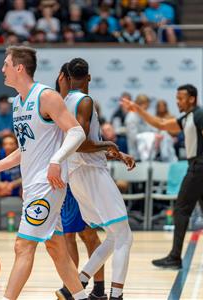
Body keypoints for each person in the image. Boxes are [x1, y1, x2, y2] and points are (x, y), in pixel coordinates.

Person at [0, 45, 89, 300]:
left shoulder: (46, 96)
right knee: (56, 247)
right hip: (34, 185)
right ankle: (80, 297)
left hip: (47, 184)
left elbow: (76, 131)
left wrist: (56, 160)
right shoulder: (18, 104)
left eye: (6, 64)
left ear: (19, 67)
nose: (2, 69)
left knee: (23, 246)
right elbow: (25, 149)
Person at [122, 84, 203, 270]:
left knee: (181, 208)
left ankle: (175, 257)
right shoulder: (187, 117)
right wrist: (139, 110)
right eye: (177, 98)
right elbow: (162, 124)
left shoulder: (201, 115)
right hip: (200, 167)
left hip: (200, 166)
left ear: (192, 98)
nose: (177, 101)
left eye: (181, 98)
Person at [57, 58, 135, 300]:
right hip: (91, 174)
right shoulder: (85, 100)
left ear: (67, 78)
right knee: (125, 236)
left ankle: (76, 284)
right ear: (88, 77)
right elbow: (80, 142)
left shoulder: (63, 102)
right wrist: (111, 143)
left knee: (113, 235)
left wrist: (113, 153)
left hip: (75, 175)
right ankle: (116, 296)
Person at [55, 62, 106, 300]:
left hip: (82, 172)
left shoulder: (78, 103)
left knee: (86, 234)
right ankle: (77, 288)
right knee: (70, 236)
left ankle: (94, 288)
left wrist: (110, 146)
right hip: (69, 174)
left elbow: (82, 141)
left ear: (65, 78)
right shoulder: (60, 105)